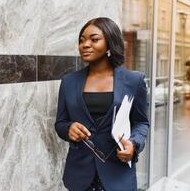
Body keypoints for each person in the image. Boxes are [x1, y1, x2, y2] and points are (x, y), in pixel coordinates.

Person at [54, 17, 149, 191]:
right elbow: (60, 123)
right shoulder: (68, 82)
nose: (85, 44)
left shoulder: (134, 81)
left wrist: (133, 145)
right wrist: (68, 129)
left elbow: (141, 123)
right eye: (82, 40)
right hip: (79, 175)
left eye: (94, 39)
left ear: (110, 43)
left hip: (118, 174)